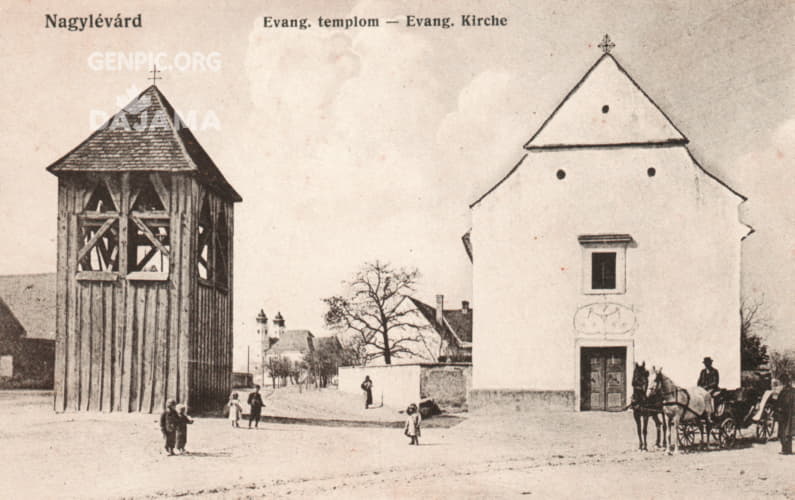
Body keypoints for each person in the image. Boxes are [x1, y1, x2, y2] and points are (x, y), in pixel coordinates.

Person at [777, 373, 794, 455]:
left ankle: (787, 450)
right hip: (785, 413)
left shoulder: (790, 391)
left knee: (786, 432)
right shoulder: (785, 391)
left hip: (787, 413)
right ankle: (786, 449)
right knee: (784, 432)